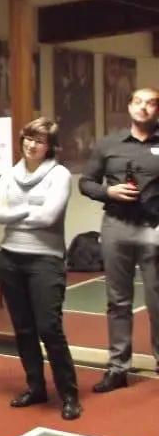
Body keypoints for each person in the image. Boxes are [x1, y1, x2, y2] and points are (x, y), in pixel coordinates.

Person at [0, 117, 80, 420]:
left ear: (50, 147)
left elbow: (48, 217)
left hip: (45, 260)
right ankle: (36, 387)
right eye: (28, 138)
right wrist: (29, 209)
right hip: (10, 258)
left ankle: (69, 394)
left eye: (39, 141)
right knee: (24, 329)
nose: (32, 145)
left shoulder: (59, 174)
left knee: (49, 328)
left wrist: (12, 213)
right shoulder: (10, 174)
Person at [78, 87, 159, 392]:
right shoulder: (109, 144)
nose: (143, 107)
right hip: (116, 227)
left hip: (154, 228)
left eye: (151, 103)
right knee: (118, 301)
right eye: (138, 102)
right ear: (129, 107)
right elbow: (86, 182)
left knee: (157, 299)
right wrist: (108, 192)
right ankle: (118, 368)